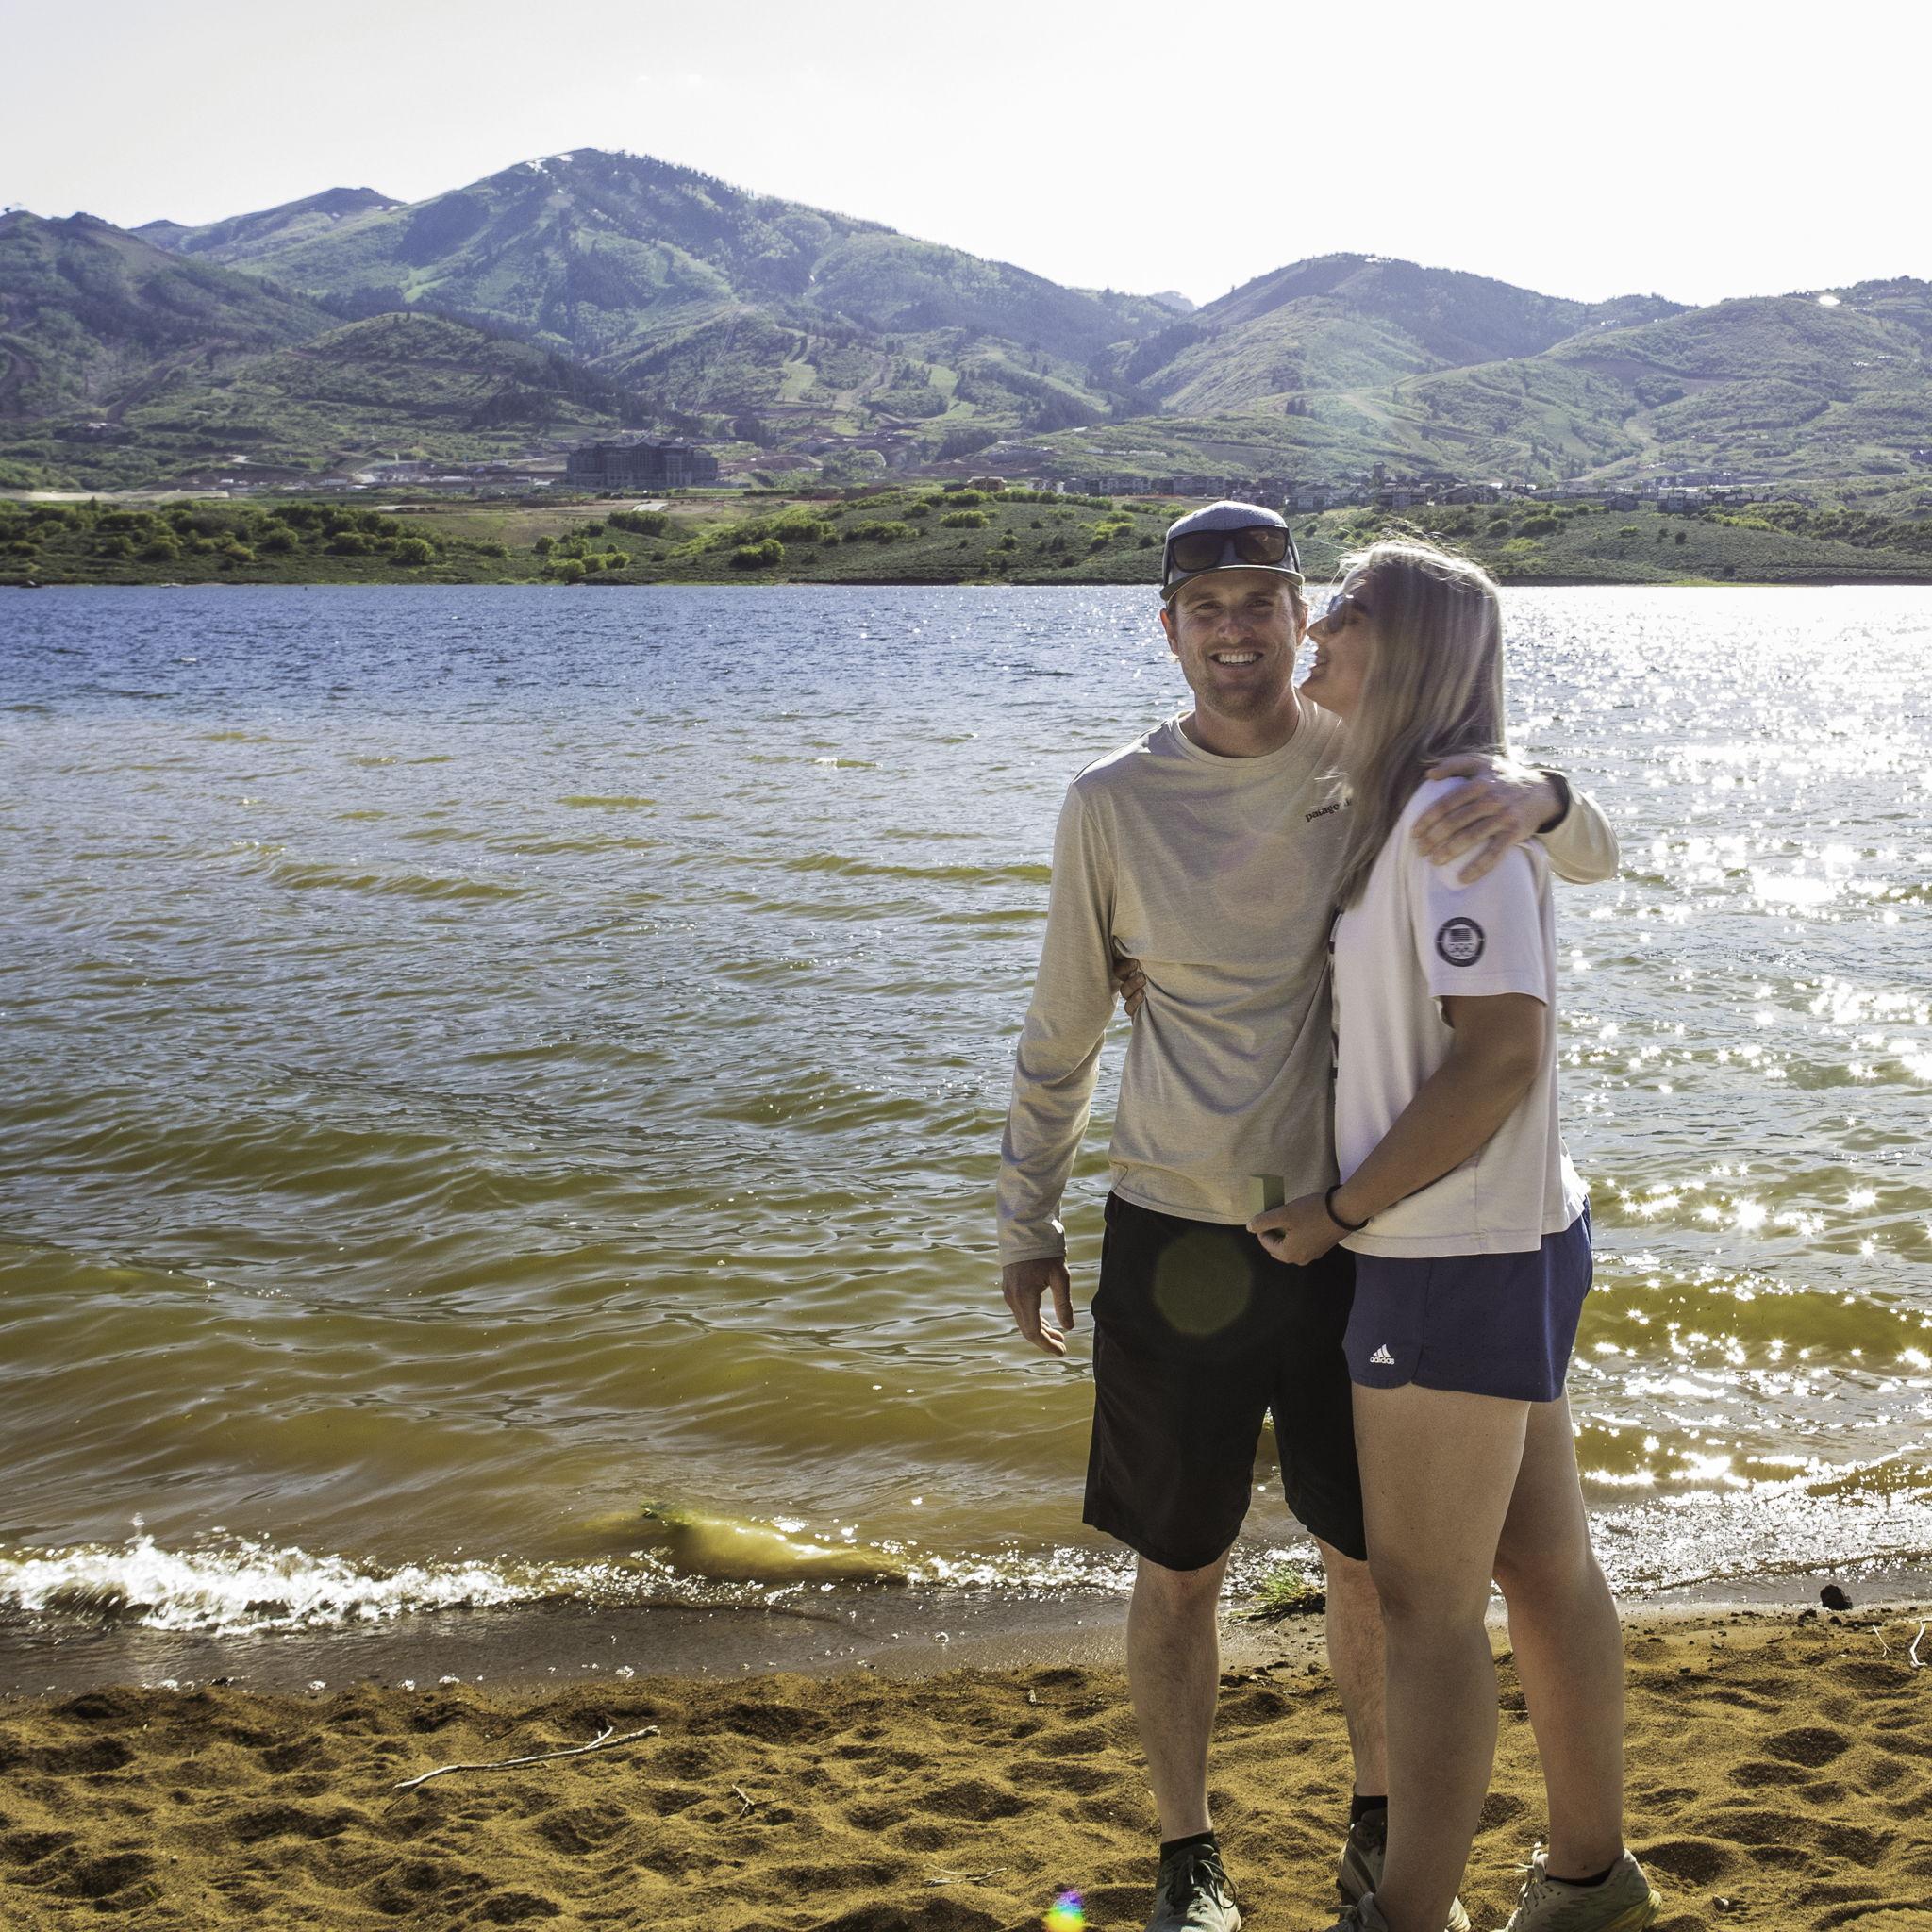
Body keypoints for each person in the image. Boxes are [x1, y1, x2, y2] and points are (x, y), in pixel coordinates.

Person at [997, 502, 1619, 1932]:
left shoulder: (1384, 768)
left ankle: (1383, 1826)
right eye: (1204, 605)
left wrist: (1550, 796)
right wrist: (1025, 1215)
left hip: (1357, 1236)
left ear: (1297, 626)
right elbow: (1063, 1029)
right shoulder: (1109, 802)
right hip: (1178, 1227)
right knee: (1181, 1566)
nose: (1241, 629)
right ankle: (1187, 1858)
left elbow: (1571, 867)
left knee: (1383, 1569)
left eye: (1268, 603)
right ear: (1170, 631)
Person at [1249, 540, 1658, 1932]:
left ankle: (1408, 1913)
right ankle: (1591, 1885)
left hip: (1446, 1254)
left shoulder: (1446, 823)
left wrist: (1343, 1212)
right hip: (1514, 1236)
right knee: (1542, 1569)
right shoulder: (1436, 803)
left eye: (1342, 613)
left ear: (1409, 644)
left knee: (1426, 1609)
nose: (1313, 632)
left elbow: (1495, 1061)